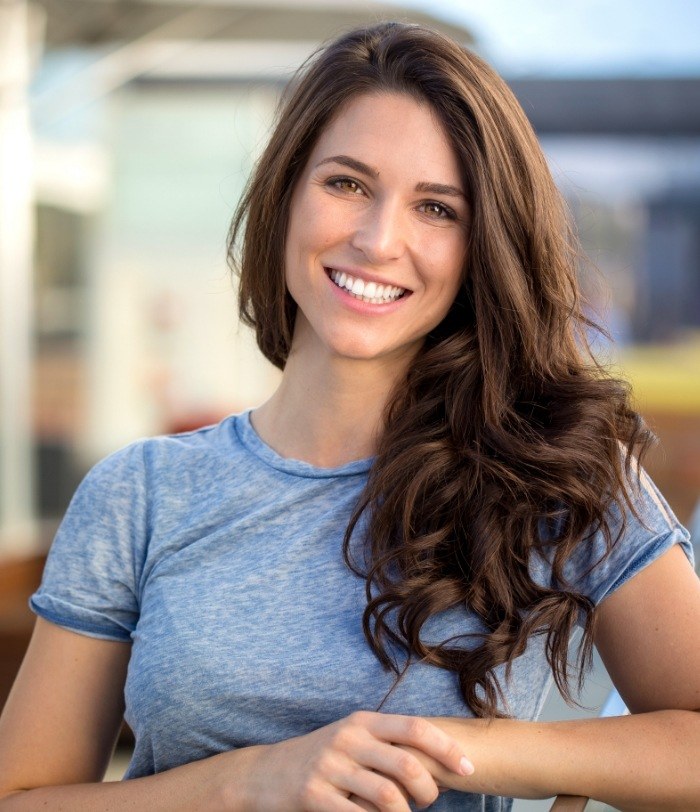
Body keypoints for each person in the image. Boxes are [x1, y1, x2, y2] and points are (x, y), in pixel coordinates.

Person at [0, 21, 698, 812]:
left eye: (436, 208)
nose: (377, 239)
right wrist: (251, 779)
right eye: (348, 184)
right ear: (287, 192)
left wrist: (458, 750)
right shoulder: (142, 495)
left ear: (482, 247)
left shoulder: (554, 471)